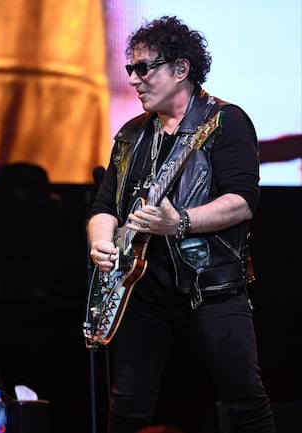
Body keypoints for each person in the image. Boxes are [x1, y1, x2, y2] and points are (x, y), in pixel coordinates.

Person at [87, 16, 276, 432]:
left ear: (180, 69)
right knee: (127, 408)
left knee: (245, 403)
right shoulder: (131, 134)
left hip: (210, 288)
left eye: (143, 68)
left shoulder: (225, 122)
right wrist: (101, 242)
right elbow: (104, 205)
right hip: (140, 289)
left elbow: (243, 202)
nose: (134, 79)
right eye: (130, 69)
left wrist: (182, 222)